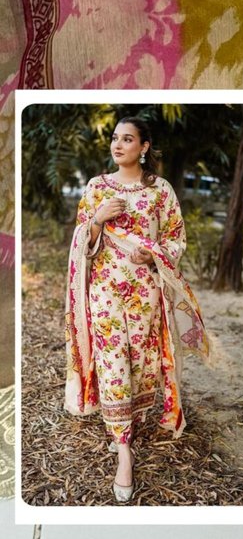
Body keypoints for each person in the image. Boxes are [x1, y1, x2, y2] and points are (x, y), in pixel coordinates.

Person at [63, 112, 210, 504]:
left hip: (144, 292)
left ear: (144, 147)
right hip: (103, 290)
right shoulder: (97, 187)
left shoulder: (160, 190)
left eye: (127, 139)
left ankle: (131, 420)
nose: (118, 144)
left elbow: (176, 238)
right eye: (115, 137)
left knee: (141, 362)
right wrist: (97, 220)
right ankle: (123, 448)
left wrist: (155, 254)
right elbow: (81, 241)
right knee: (113, 361)